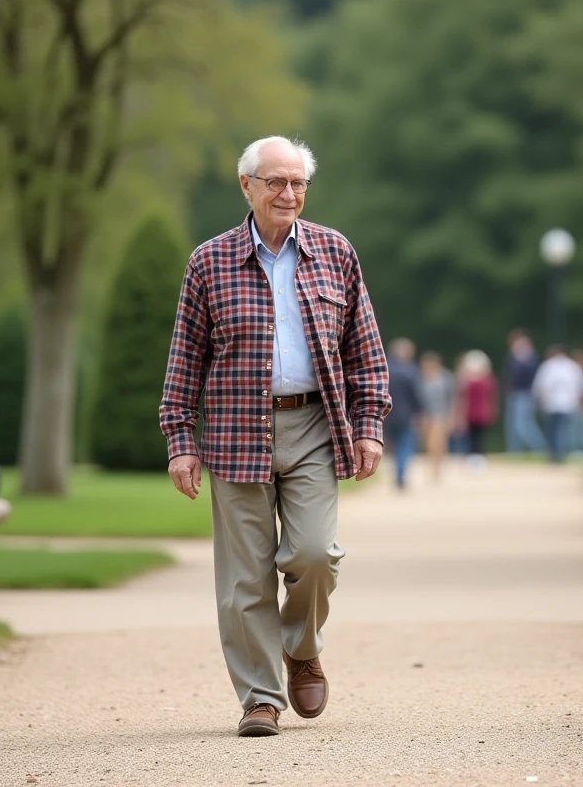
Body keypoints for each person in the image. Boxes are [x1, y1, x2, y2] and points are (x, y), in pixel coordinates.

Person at [159, 136, 391, 738]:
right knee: (245, 577)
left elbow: (363, 349)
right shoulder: (208, 262)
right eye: (275, 183)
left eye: (297, 184)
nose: (288, 194)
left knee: (315, 555)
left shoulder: (336, 253)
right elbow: (185, 357)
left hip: (314, 424)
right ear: (247, 186)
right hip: (237, 428)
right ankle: (260, 698)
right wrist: (180, 439)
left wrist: (369, 427)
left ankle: (301, 646)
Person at [532, 345, 583, 464]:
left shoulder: (548, 366)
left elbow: (539, 387)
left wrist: (541, 401)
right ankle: (560, 453)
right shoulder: (572, 367)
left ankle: (554, 454)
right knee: (563, 431)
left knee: (552, 431)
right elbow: (582, 387)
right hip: (568, 405)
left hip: (552, 405)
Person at [385, 338, 425, 490]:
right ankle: (401, 475)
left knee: (392, 445)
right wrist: (420, 412)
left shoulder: (385, 368)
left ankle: (396, 472)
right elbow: (416, 395)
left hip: (387, 413)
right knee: (405, 445)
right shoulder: (410, 371)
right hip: (406, 414)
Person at [501, 330, 546, 453]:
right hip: (513, 393)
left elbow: (529, 376)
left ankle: (541, 448)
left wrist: (520, 358)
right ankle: (514, 451)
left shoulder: (530, 358)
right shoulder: (512, 357)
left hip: (525, 394)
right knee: (512, 426)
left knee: (523, 425)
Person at [456, 349, 497, 469]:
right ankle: (475, 459)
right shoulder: (486, 381)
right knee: (475, 438)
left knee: (476, 438)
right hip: (475, 413)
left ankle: (476, 459)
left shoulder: (473, 382)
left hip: (476, 413)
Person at [418, 351, 456, 482]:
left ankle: (438, 468)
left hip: (441, 415)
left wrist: (452, 416)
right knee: (428, 444)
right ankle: (431, 465)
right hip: (426, 416)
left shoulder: (445, 378)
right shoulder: (421, 379)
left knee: (438, 442)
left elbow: (452, 398)